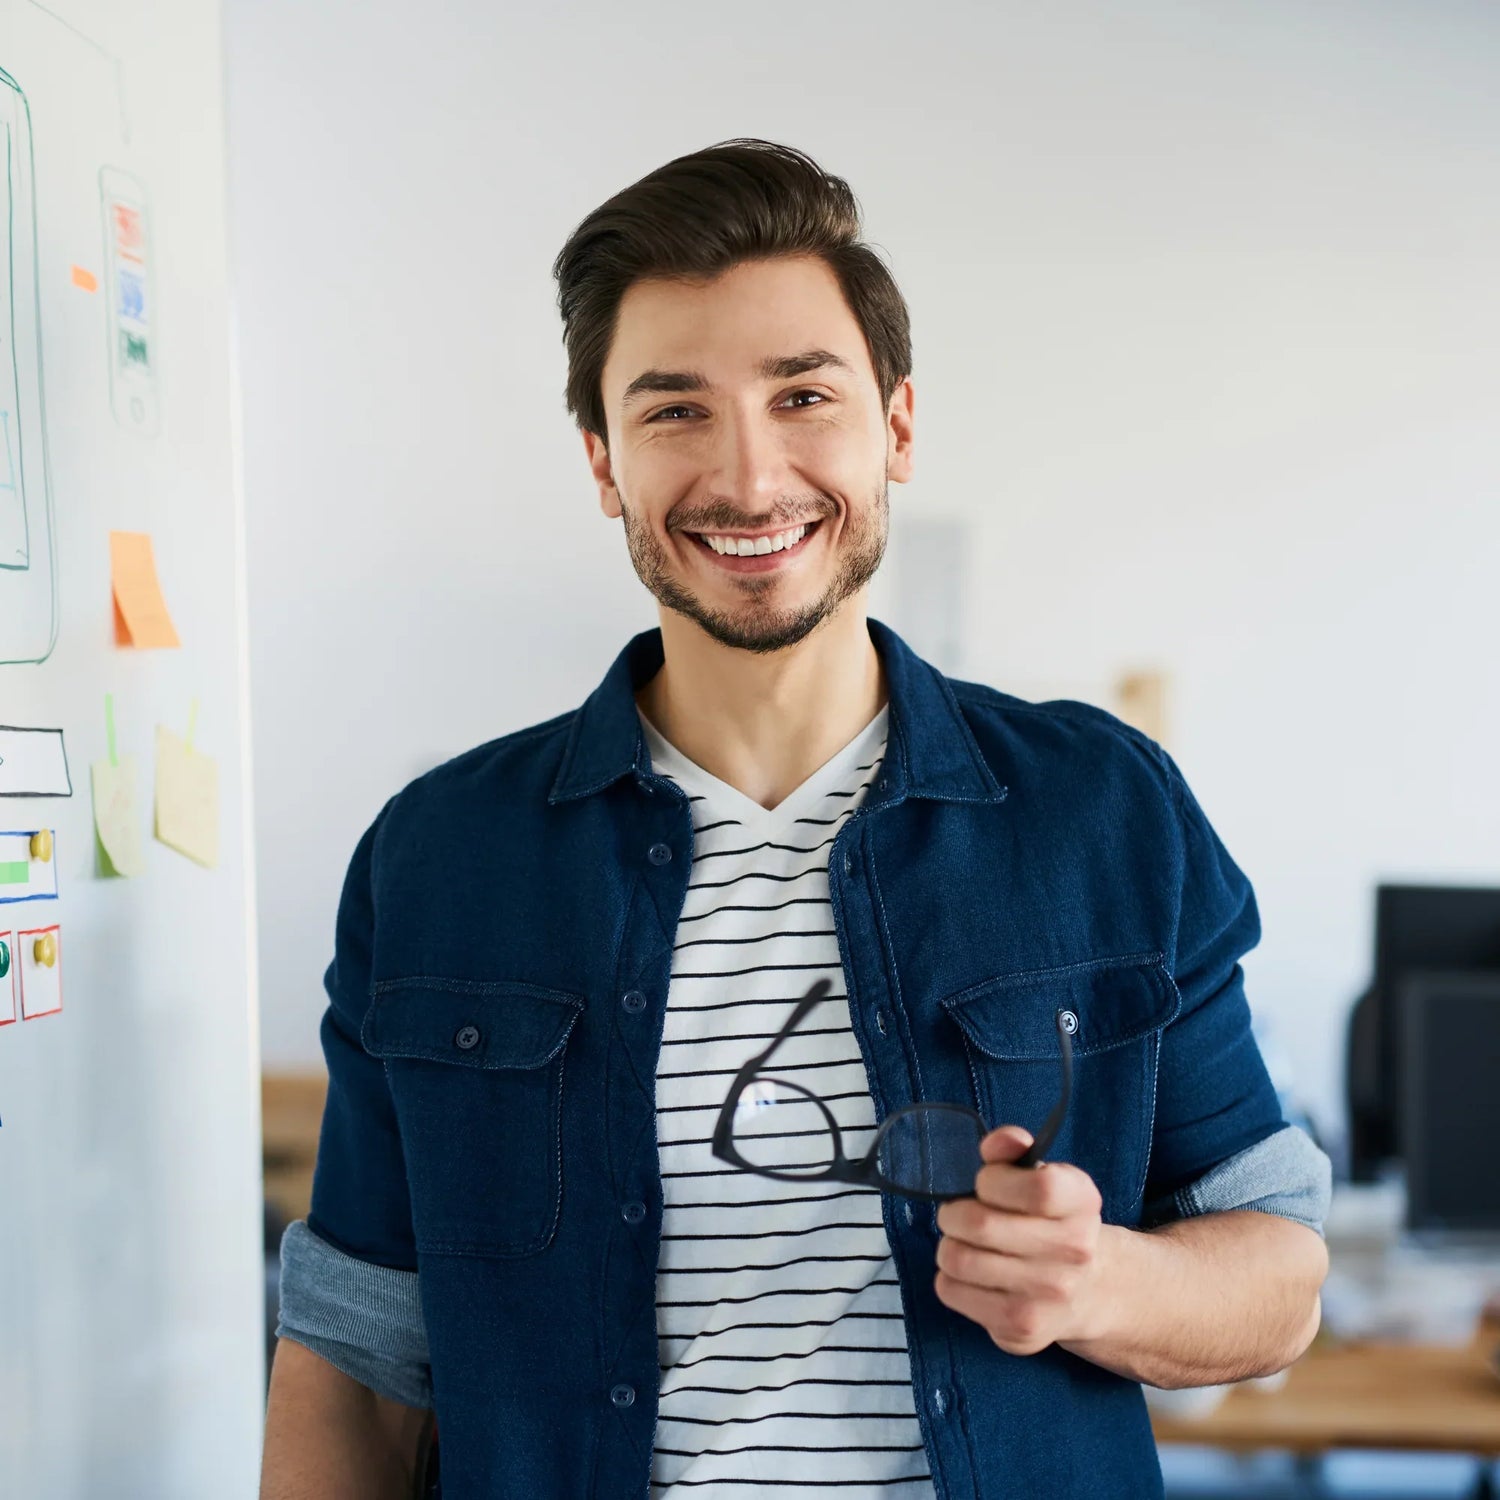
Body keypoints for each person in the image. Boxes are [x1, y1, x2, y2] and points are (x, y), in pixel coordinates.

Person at [259, 138, 1331, 1500]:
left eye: (802, 397)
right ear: (603, 462)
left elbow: (1278, 1271)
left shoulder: (1104, 810)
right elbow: (354, 1365)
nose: (751, 481)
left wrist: (1105, 1280)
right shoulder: (437, 858)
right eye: (674, 411)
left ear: (894, 426)